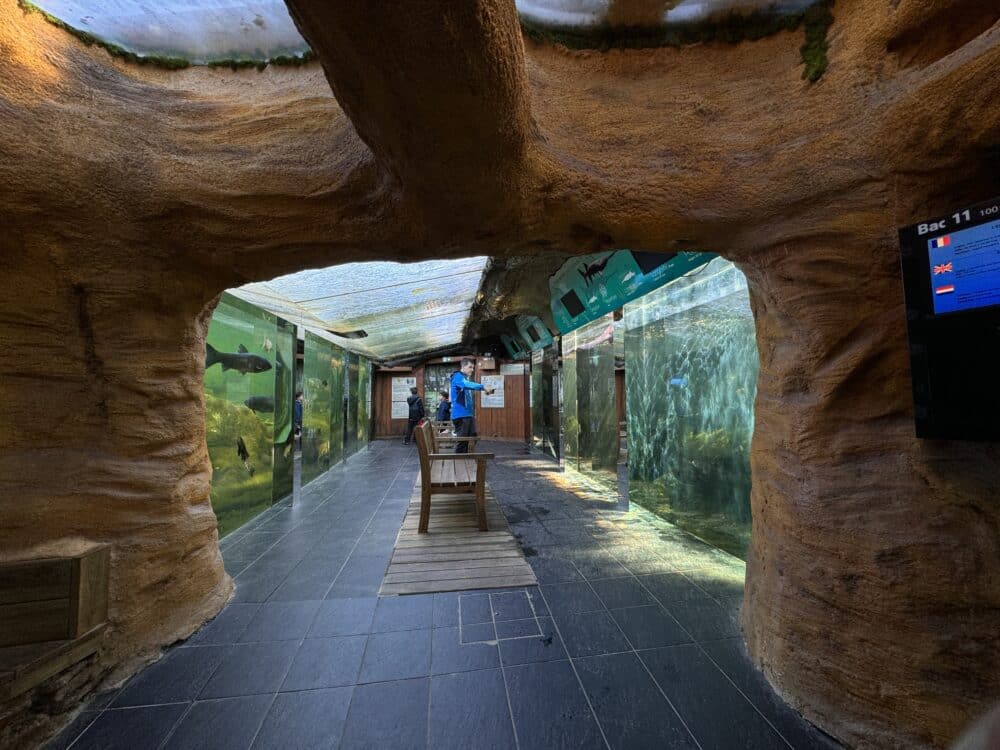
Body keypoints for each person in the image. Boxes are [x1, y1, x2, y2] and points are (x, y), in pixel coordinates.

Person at [449, 358, 495, 454]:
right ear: (463, 366)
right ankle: (459, 462)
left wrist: (485, 391)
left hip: (467, 415)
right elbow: (465, 385)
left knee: (472, 436)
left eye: (473, 368)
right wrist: (483, 387)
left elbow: (467, 393)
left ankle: (466, 459)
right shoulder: (457, 376)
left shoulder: (464, 378)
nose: (472, 369)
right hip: (461, 416)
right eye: (470, 367)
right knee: (463, 442)